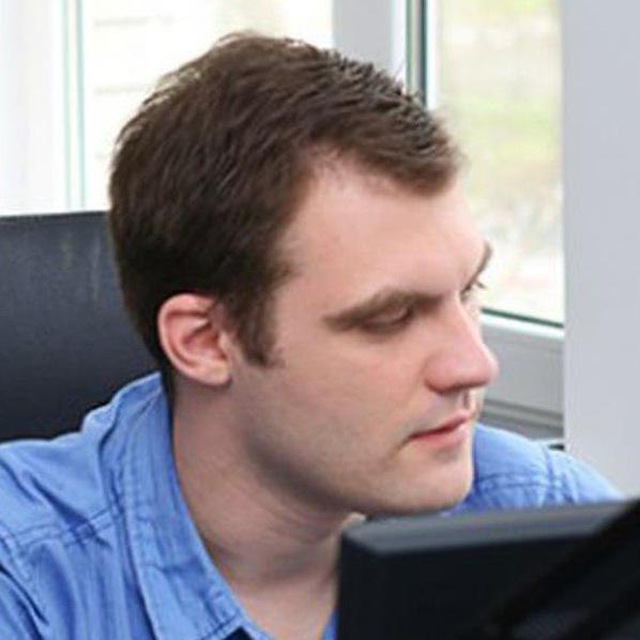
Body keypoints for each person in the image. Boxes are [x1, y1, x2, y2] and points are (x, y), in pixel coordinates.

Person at [0, 33, 618, 640]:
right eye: (390, 317)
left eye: (469, 290)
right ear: (205, 341)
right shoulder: (24, 580)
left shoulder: (551, 521)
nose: (475, 365)